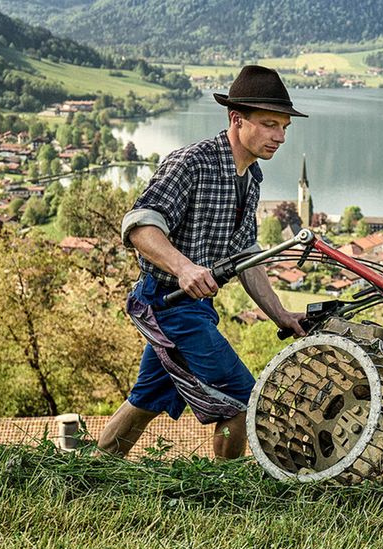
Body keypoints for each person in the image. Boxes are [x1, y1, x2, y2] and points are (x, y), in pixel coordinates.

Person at [98, 65, 309, 459]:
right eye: (268, 125)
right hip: (168, 303)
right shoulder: (191, 163)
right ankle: (223, 492)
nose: (279, 137)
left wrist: (281, 315)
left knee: (147, 398)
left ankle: (96, 469)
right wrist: (184, 267)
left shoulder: (251, 177)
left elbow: (246, 255)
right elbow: (139, 225)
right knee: (243, 399)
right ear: (236, 119)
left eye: (283, 127)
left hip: (194, 307)